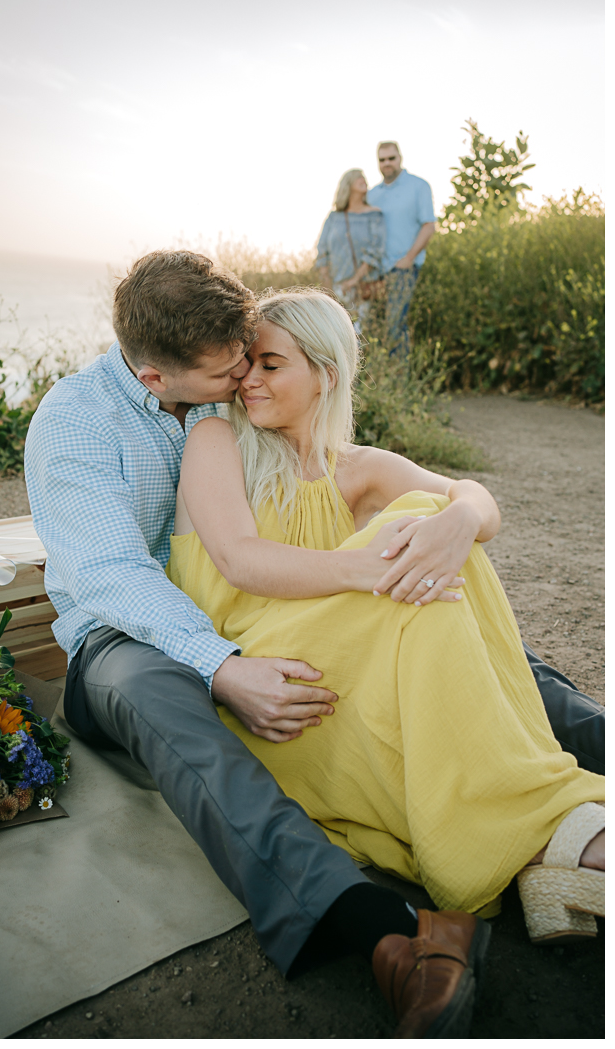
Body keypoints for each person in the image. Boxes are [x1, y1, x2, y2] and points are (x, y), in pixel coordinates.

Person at [24, 251, 603, 1039]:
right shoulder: (79, 421)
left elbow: (370, 493)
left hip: (249, 612)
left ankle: (576, 783)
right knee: (161, 695)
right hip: (119, 635)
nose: (243, 379)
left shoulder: (222, 410)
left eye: (253, 358)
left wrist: (456, 519)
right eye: (232, 368)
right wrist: (222, 665)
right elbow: (116, 577)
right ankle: (383, 931)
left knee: (446, 617)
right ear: (158, 379)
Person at [167, 286, 604, 946]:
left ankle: (547, 846)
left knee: (434, 528)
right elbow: (240, 561)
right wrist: (375, 568)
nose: (246, 379)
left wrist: (462, 518)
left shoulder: (358, 469)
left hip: (342, 667)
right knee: (415, 547)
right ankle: (565, 830)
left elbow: (479, 501)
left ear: (326, 374)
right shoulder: (214, 437)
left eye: (270, 364)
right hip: (264, 678)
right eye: (246, 363)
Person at [366, 141, 436, 357]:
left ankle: (398, 381)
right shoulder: (372, 194)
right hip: (375, 271)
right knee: (372, 327)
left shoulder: (418, 186)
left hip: (402, 267)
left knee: (395, 324)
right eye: (382, 159)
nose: (387, 163)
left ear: (400, 159)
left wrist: (409, 258)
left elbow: (429, 225)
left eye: (391, 158)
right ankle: (379, 378)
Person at [315, 168, 385, 330]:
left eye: (364, 178)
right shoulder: (334, 217)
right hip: (336, 287)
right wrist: (327, 285)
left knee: (359, 335)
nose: (363, 180)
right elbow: (322, 250)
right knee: (335, 332)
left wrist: (354, 281)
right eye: (358, 178)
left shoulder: (375, 216)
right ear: (348, 184)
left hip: (363, 286)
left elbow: (375, 252)